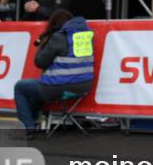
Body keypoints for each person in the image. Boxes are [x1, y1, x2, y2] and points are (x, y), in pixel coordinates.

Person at [12, 9, 94, 137]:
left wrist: (43, 44)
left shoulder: (58, 37)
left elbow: (40, 62)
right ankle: (32, 123)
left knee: (20, 87)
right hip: (84, 86)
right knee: (37, 86)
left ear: (54, 25)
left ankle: (26, 127)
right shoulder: (86, 36)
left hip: (60, 86)